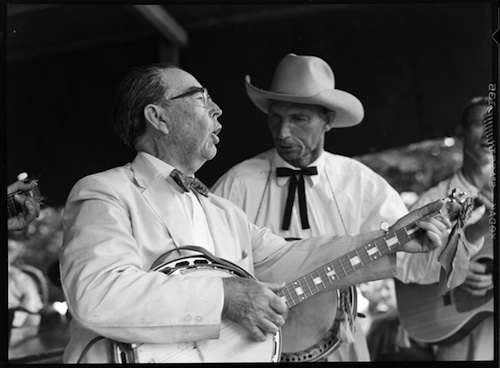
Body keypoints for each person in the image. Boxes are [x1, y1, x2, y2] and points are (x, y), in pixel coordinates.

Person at [59, 62, 451, 363]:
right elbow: (96, 294)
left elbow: (289, 258)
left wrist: (392, 241)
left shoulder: (222, 211)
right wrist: (224, 298)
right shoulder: (104, 191)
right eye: (200, 98)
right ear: (158, 118)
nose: (217, 111)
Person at [211, 53, 410, 361]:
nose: (282, 132)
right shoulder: (238, 183)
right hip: (250, 347)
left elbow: (410, 258)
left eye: (298, 119)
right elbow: (204, 267)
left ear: (327, 120)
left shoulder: (360, 183)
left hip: (340, 343)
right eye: (275, 117)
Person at [396, 96, 494, 360]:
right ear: (460, 133)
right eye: (479, 123)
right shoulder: (433, 202)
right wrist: (453, 271)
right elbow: (403, 267)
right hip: (456, 336)